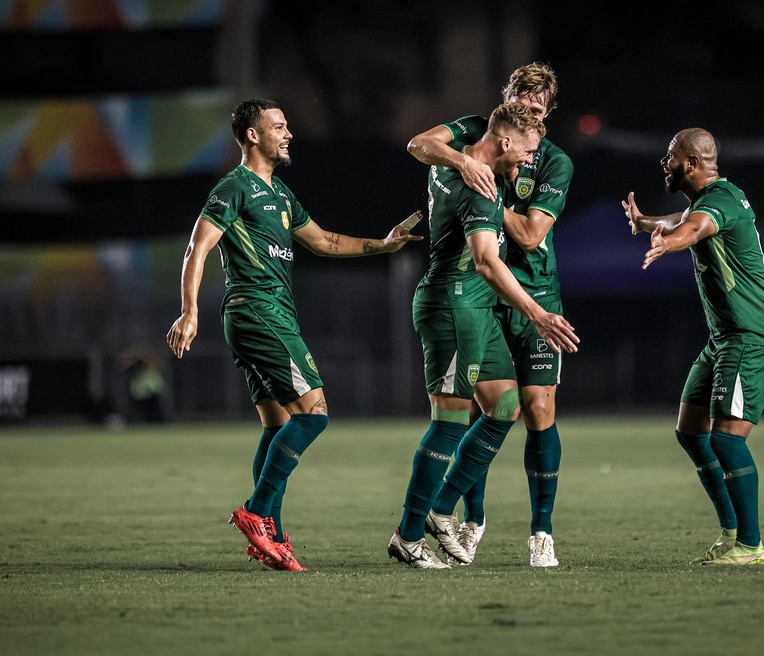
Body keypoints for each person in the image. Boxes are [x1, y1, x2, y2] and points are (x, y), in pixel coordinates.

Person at [165, 98, 421, 572]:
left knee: (278, 425)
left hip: (264, 314)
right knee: (314, 414)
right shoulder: (234, 187)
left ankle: (275, 539)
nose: (288, 134)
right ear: (253, 135)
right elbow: (197, 248)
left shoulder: (280, 194)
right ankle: (257, 511)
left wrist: (383, 244)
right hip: (257, 310)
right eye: (278, 126)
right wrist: (189, 311)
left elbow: (323, 241)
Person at [388, 102, 579, 569]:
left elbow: (424, 145)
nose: (530, 161)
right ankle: (409, 535)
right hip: (455, 305)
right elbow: (487, 263)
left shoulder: (450, 159)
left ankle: (440, 509)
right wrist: (537, 313)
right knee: (448, 423)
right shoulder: (481, 187)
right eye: (527, 151)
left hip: (474, 307)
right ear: (505, 141)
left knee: (506, 404)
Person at [621, 127, 764, 566]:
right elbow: (683, 219)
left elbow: (693, 229)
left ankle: (751, 545)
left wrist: (667, 243)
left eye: (671, 156)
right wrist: (646, 223)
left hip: (749, 335)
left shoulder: (721, 202)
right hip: (724, 338)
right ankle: (731, 532)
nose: (665, 162)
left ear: (691, 163)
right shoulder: (711, 199)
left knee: (727, 440)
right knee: (691, 432)